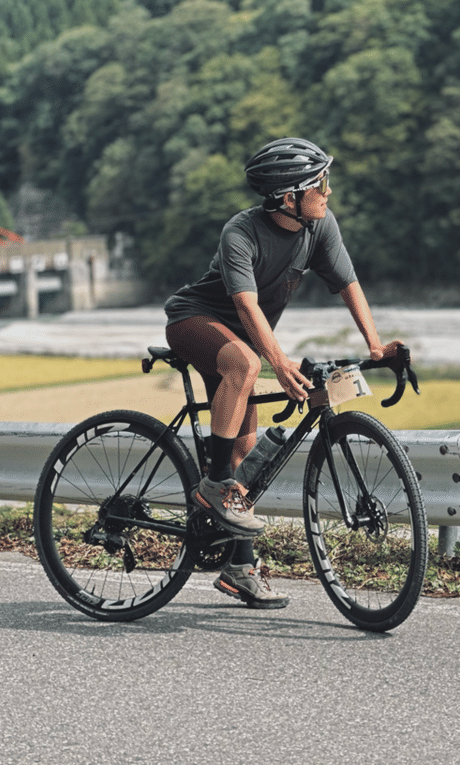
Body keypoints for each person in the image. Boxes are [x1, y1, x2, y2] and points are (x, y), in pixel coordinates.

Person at [162, 137, 405, 610]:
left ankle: (240, 568)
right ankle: (213, 485)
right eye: (320, 185)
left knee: (247, 454)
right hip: (195, 322)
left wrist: (375, 346)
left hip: (243, 342)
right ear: (289, 197)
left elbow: (349, 284)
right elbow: (245, 307)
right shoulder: (240, 232)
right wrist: (278, 361)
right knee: (246, 364)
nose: (328, 192)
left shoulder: (320, 226)